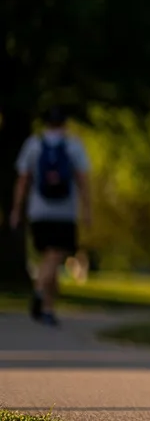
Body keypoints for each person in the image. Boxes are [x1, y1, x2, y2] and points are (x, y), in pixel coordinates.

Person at [8, 106, 93, 327]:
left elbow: (23, 180)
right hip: (64, 212)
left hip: (38, 210)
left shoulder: (33, 145)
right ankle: (39, 292)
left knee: (49, 256)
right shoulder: (74, 146)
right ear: (65, 123)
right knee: (55, 255)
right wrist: (87, 209)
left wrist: (17, 209)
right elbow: (83, 180)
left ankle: (47, 309)